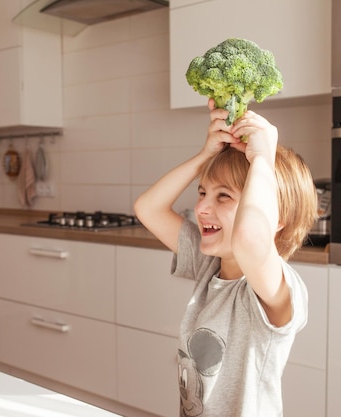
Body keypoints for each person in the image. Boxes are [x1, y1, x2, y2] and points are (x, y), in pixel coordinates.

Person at [134, 99, 317, 416]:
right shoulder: (210, 267)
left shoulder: (273, 287)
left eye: (224, 196)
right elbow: (148, 208)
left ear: (275, 218)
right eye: (202, 192)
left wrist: (262, 158)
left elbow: (250, 240)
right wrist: (205, 155)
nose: (201, 208)